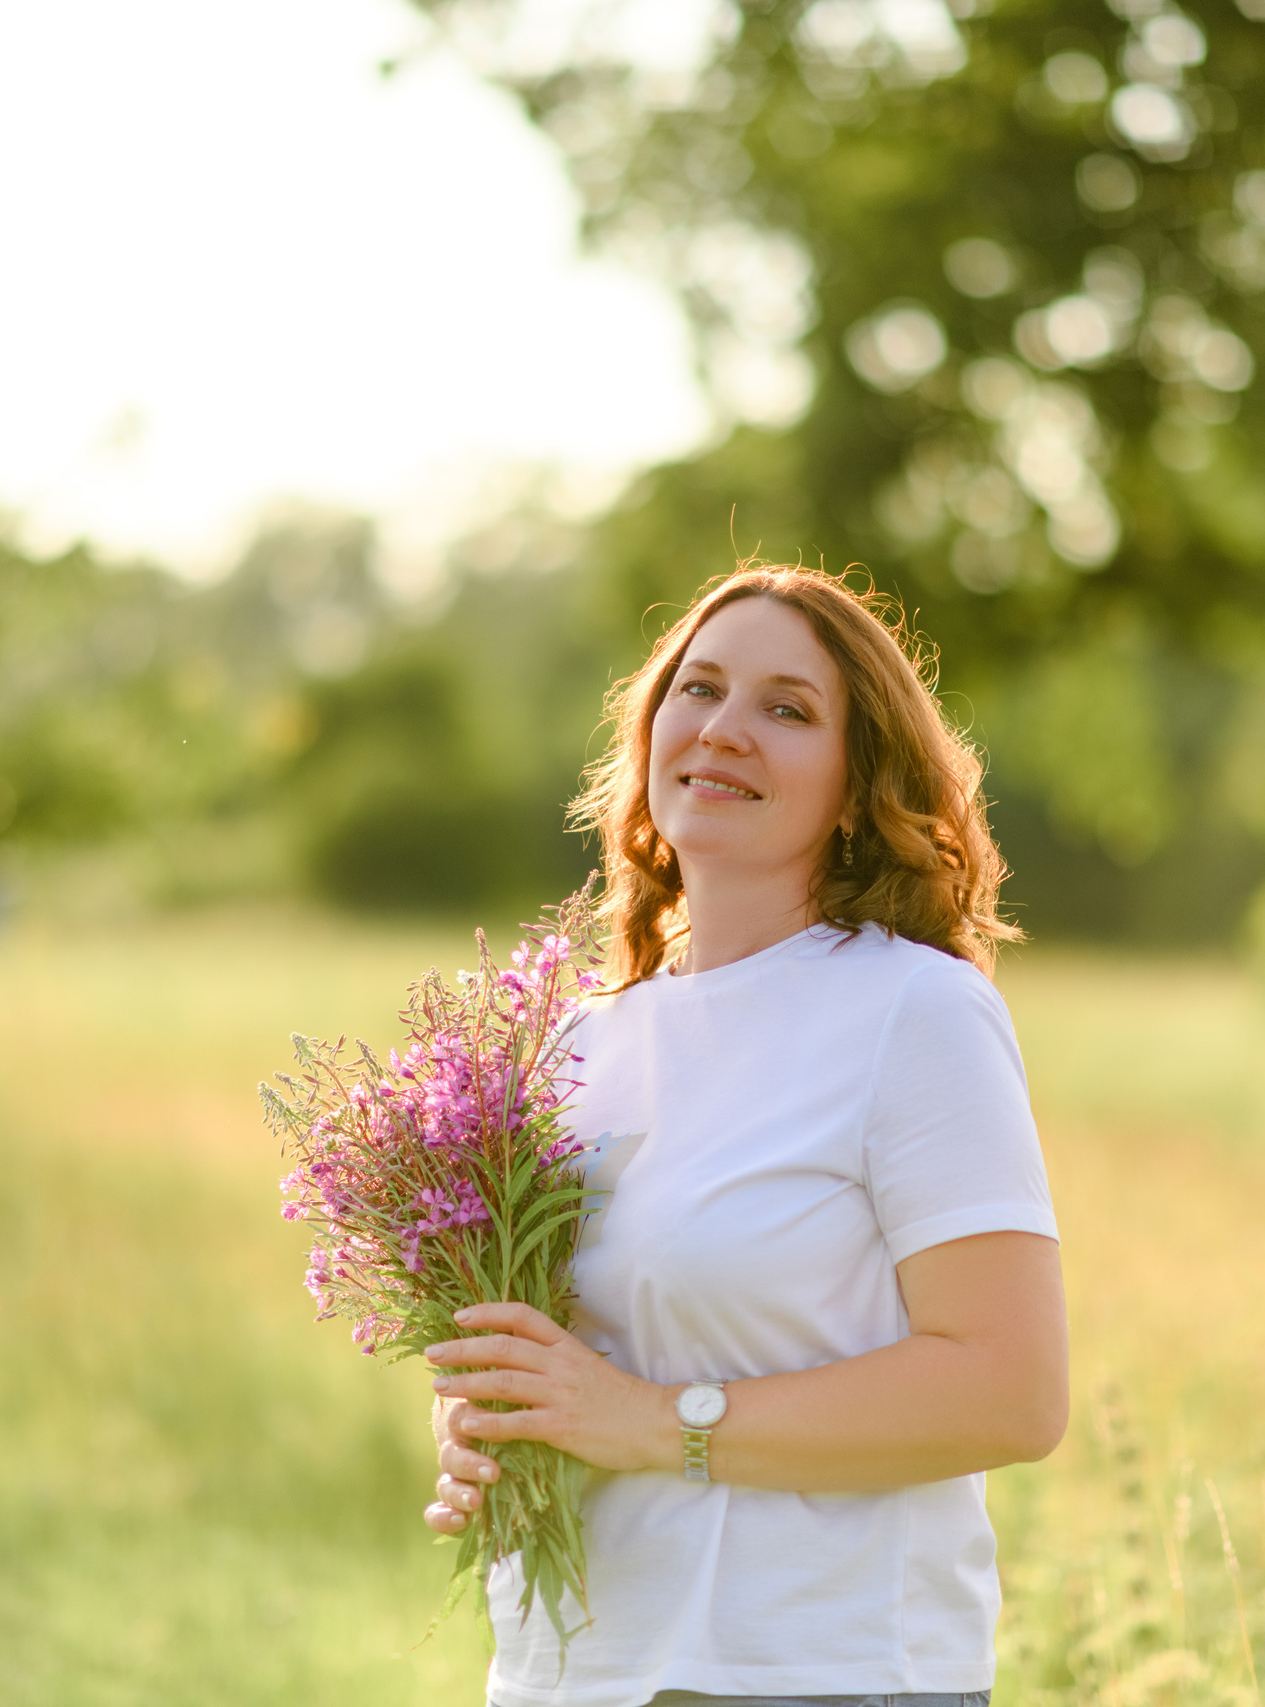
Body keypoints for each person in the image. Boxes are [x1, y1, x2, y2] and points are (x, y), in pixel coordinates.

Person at [422, 564, 1069, 1707]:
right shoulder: (573, 1042)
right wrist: (491, 1417)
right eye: (699, 689)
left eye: (786, 708)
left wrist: (651, 1425)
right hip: (574, 1672)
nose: (724, 730)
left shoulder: (911, 1011)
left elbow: (1010, 1391)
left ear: (857, 786)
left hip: (818, 1671)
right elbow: (587, 1355)